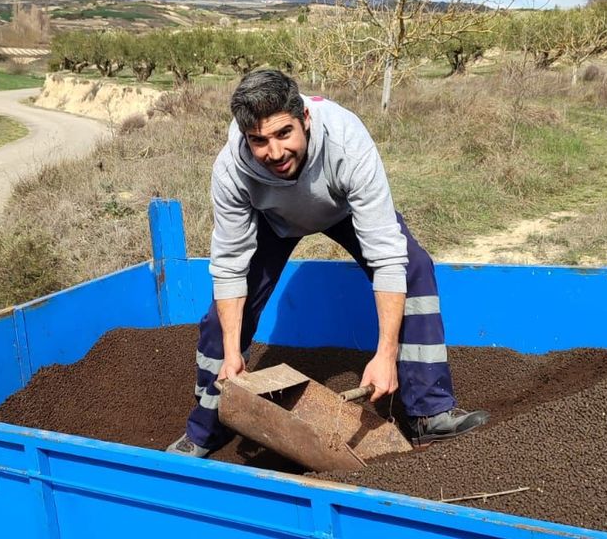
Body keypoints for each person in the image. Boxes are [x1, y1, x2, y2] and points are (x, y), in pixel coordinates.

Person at [166, 69, 489, 458]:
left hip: (340, 208)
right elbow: (230, 265)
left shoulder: (346, 142)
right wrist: (233, 352)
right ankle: (207, 427)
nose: (275, 152)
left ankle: (430, 412)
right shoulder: (231, 170)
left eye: (284, 133)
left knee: (413, 266)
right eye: (259, 141)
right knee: (223, 319)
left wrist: (385, 355)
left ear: (304, 118)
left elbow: (386, 254)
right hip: (272, 219)